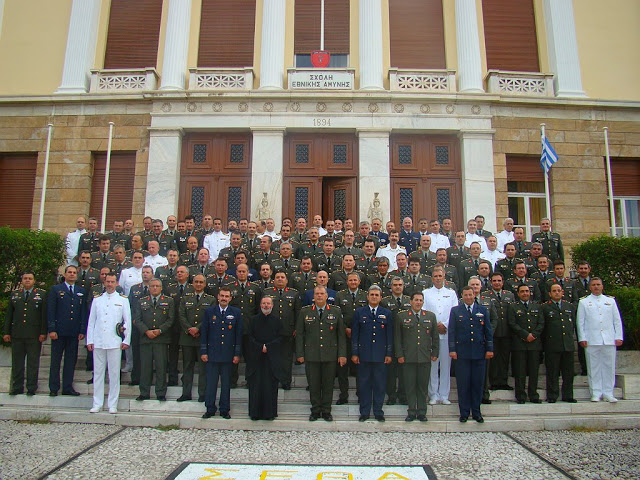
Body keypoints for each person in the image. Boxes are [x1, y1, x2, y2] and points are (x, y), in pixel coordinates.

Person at [296, 286, 347, 421]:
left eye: (322, 294)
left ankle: (326, 411)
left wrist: (342, 354)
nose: (319, 296)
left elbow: (341, 335)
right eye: (317, 294)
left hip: (330, 354)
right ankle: (315, 410)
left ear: (326, 296)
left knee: (328, 384)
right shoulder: (305, 312)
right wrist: (300, 354)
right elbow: (300, 334)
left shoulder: (335, 311)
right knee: (314, 385)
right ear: (313, 296)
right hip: (311, 354)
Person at [86, 273, 131, 414]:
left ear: (117, 283)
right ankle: (97, 403)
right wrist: (90, 340)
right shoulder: (97, 300)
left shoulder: (123, 300)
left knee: (114, 374)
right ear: (104, 283)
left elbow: (127, 321)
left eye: (112, 282)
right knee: (98, 374)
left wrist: (126, 340)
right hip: (99, 340)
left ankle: (113, 404)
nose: (110, 284)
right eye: (108, 282)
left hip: (114, 341)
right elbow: (91, 322)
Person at [449, 286, 493, 423]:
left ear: (474, 295)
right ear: (462, 296)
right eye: (465, 295)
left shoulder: (482, 310)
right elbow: (452, 331)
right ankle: (464, 412)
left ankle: (476, 412)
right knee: (463, 384)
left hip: (479, 353)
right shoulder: (456, 311)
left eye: (470, 295)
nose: (468, 297)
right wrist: (452, 349)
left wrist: (489, 349)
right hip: (462, 353)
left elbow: (488, 331)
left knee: (477, 384)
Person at [577, 278, 623, 403]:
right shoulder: (584, 302)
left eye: (598, 285)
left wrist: (619, 336)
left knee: (609, 366)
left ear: (602, 286)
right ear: (590, 287)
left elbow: (617, 321)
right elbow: (580, 322)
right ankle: (596, 393)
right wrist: (582, 338)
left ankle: (609, 392)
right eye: (593, 285)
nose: (596, 287)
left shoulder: (610, 301)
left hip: (608, 339)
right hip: (592, 339)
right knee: (594, 367)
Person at [394, 292, 438, 422]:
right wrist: (399, 354)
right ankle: (411, 411)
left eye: (420, 300)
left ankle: (422, 412)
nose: (418, 302)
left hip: (424, 357)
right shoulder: (401, 316)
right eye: (416, 300)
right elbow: (397, 338)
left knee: (422, 386)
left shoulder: (430, 316)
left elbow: (435, 337)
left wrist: (435, 353)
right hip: (408, 357)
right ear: (411, 302)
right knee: (410, 386)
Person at [352, 285, 393, 422]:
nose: (374, 297)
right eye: (372, 295)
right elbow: (355, 335)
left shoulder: (386, 313)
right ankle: (364, 412)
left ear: (381, 297)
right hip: (364, 355)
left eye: (377, 295)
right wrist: (355, 353)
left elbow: (389, 336)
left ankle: (378, 411)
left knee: (380, 385)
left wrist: (388, 353)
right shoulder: (359, 312)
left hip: (380, 356)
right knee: (364, 384)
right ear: (367, 296)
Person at [201, 287, 242, 418]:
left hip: (228, 355)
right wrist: (203, 351)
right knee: (211, 384)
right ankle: (210, 408)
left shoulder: (236, 312)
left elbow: (238, 335)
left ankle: (224, 409)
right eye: (222, 296)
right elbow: (204, 333)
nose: (224, 298)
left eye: (227, 296)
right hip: (212, 354)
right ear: (218, 297)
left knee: (226, 384)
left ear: (230, 298)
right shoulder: (209, 312)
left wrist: (237, 354)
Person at [3, 272, 47, 396]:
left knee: (33, 363)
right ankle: (17, 387)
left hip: (34, 335)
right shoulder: (15, 294)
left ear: (34, 281)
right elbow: (9, 316)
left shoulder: (41, 294)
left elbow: (43, 316)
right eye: (25, 278)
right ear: (22, 280)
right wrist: (6, 332)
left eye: (30, 279)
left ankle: (31, 387)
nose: (27, 280)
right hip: (17, 334)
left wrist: (43, 332)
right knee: (17, 362)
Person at [47, 265, 88, 396]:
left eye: (74, 273)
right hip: (59, 331)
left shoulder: (81, 291)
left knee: (71, 361)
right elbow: (51, 310)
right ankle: (54, 387)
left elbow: (82, 313)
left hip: (73, 332)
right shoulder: (56, 290)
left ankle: (67, 387)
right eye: (69, 272)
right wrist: (52, 329)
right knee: (55, 361)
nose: (72, 274)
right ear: (64, 274)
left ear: (77, 275)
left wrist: (82, 330)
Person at [422, 266, 458, 405]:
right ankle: (433, 394)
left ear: (444, 277)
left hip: (447, 334)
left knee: (445, 366)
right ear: (432, 278)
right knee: (432, 364)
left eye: (440, 276)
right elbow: (424, 311)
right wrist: (435, 326)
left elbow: (454, 312)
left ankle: (444, 395)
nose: (438, 278)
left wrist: (445, 325)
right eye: (435, 276)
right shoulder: (426, 293)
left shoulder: (451, 293)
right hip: (431, 335)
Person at [135, 278, 174, 401]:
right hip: (146, 338)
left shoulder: (169, 301)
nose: (155, 288)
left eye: (157, 286)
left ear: (161, 288)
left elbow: (171, 319)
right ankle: (144, 392)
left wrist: (159, 330)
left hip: (161, 338)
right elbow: (137, 319)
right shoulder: (141, 301)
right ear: (149, 288)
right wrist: (146, 331)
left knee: (161, 367)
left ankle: (161, 393)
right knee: (145, 367)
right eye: (152, 286)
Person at [177, 274, 214, 403]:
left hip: (202, 338)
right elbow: (181, 315)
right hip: (187, 337)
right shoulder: (185, 298)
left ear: (205, 284)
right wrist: (189, 329)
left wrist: (198, 328)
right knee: (187, 366)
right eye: (196, 282)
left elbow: (209, 317)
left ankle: (202, 393)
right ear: (192, 283)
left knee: (203, 368)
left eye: (201, 282)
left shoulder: (211, 300)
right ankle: (186, 393)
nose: (198, 284)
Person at [246, 296, 284, 420]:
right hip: (256, 358)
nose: (266, 306)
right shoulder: (253, 320)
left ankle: (270, 413)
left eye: (268, 303)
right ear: (260, 305)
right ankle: (255, 413)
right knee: (256, 387)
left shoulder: (277, 321)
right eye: (263, 303)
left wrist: (268, 347)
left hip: (271, 358)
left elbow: (281, 338)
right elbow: (249, 337)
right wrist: (259, 347)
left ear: (272, 306)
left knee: (270, 387)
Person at [508, 284, 544, 404]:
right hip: (519, 344)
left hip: (534, 343)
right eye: (522, 291)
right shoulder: (513, 307)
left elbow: (541, 323)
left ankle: (533, 394)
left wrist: (533, 335)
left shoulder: (537, 306)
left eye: (527, 291)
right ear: (518, 294)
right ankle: (521, 396)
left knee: (534, 371)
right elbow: (512, 323)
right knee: (520, 372)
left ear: (530, 293)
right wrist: (525, 335)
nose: (525, 293)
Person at [542, 284, 577, 403]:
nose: (557, 293)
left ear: (562, 292)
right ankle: (552, 395)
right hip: (552, 345)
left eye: (559, 291)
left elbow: (572, 324)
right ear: (549, 294)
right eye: (554, 291)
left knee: (568, 373)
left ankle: (568, 395)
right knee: (552, 372)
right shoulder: (545, 307)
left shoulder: (569, 306)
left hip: (567, 344)